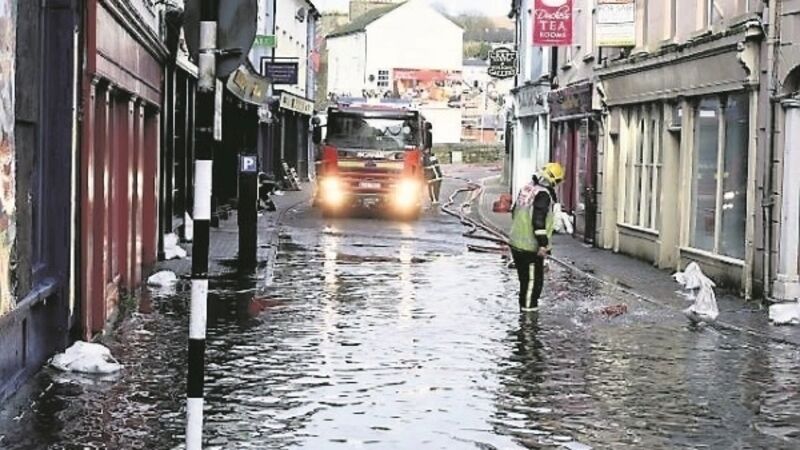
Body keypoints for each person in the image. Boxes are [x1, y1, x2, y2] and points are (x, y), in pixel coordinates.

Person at [509, 162, 566, 312]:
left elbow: (514, 211)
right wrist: (542, 244)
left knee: (524, 281)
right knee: (532, 285)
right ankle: (528, 318)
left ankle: (524, 310)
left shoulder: (527, 189)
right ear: (554, 181)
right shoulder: (543, 195)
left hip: (516, 243)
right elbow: (538, 221)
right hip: (530, 248)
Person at [422, 122, 443, 204]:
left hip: (433, 177)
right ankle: (435, 200)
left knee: (432, 187)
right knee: (434, 188)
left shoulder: (424, 135)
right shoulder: (432, 157)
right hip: (436, 177)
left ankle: (434, 200)